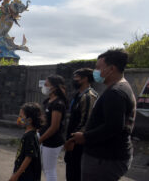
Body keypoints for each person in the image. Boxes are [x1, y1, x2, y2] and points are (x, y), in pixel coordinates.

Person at [70, 49, 136, 181]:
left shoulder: (116, 92)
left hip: (104, 160)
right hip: (107, 157)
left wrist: (85, 136)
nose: (95, 71)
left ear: (111, 68)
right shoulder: (120, 88)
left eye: (98, 68)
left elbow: (114, 127)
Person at [64, 68, 98, 181]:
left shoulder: (88, 96)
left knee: (76, 173)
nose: (74, 80)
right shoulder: (78, 95)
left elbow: (86, 121)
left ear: (85, 79)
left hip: (78, 142)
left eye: (76, 78)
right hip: (72, 139)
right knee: (70, 172)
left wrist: (73, 140)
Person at [39, 75, 68, 181]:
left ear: (55, 87)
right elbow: (45, 121)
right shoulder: (48, 101)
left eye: (46, 85)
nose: (44, 87)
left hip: (52, 141)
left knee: (49, 170)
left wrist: (40, 139)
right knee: (44, 168)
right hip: (45, 140)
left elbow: (54, 127)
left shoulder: (58, 104)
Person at [9, 102, 42, 181]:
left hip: (26, 176)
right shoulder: (31, 134)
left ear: (29, 120)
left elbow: (28, 157)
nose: (19, 119)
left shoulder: (29, 136)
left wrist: (16, 175)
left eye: (21, 116)